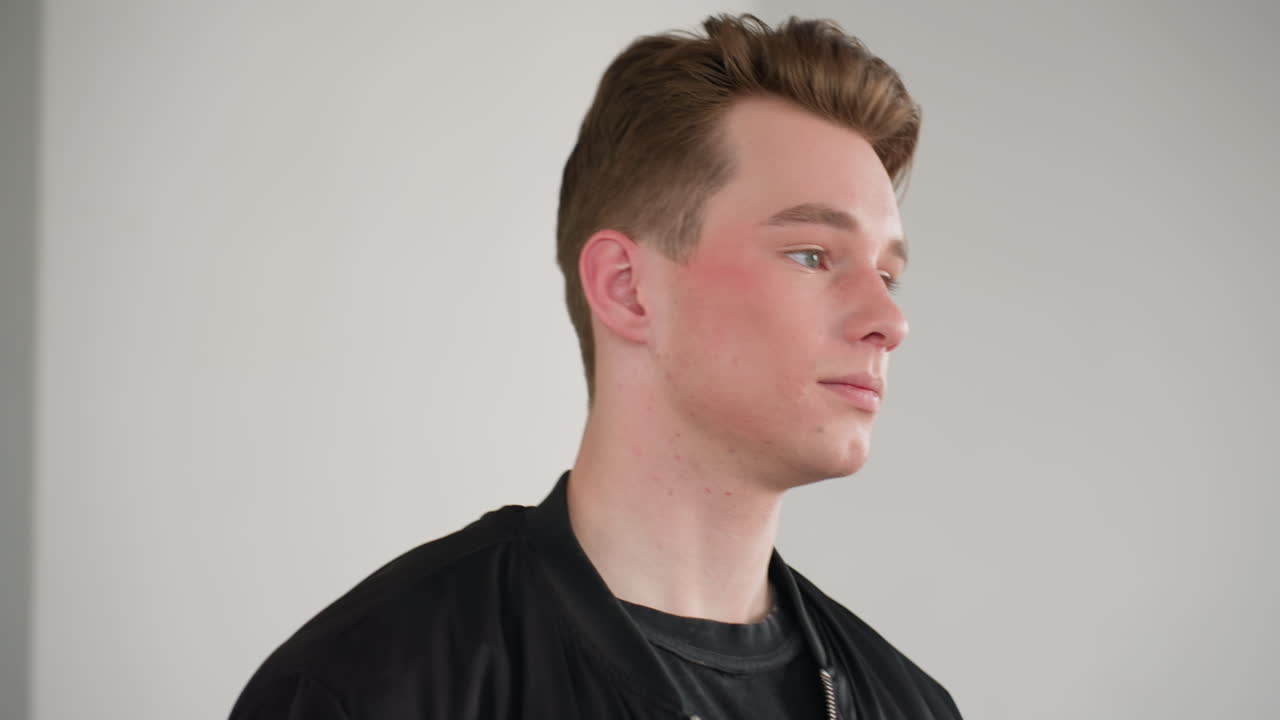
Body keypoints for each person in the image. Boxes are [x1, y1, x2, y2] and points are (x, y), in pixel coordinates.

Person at [229, 13, 961, 720]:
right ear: (626, 288)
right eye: (812, 255)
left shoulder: (913, 707)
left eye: (888, 275)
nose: (889, 323)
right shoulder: (368, 687)